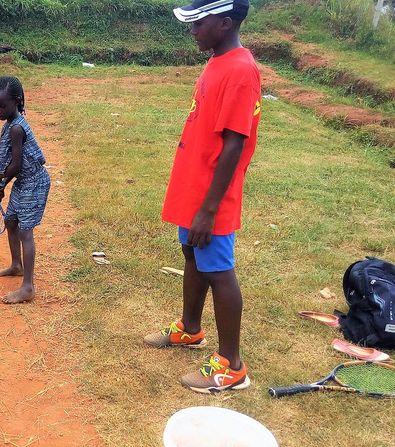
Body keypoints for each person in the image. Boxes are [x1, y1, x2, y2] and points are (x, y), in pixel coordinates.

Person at [143, 0, 261, 394]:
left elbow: (233, 144)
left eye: (199, 22)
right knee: (192, 255)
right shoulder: (217, 60)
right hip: (193, 187)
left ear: (225, 23)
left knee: (217, 269)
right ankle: (191, 329)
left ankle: (232, 365)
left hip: (214, 196)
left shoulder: (242, 70)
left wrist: (210, 208)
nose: (192, 29)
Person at [0, 76, 51, 304]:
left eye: (2, 106)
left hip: (34, 182)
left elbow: (15, 165)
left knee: (26, 232)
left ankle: (28, 287)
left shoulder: (16, 128)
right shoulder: (11, 122)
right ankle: (16, 265)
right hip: (23, 182)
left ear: (16, 102)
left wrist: (2, 181)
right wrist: (2, 181)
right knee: (11, 222)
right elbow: (12, 165)